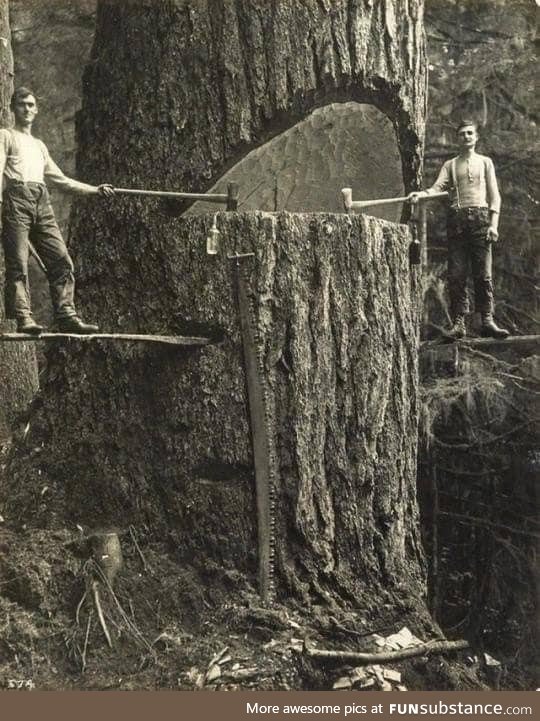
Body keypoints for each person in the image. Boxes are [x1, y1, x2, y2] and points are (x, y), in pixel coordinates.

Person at [0, 87, 115, 335]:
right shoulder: (5, 136)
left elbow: (61, 181)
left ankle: (66, 315)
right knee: (18, 263)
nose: (27, 109)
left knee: (61, 259)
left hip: (42, 201)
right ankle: (24, 318)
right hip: (15, 200)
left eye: (31, 105)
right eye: (22, 104)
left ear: (37, 110)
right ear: (12, 108)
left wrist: (95, 190)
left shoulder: (39, 146)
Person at [410, 118, 509, 340]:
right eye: (462, 133)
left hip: (481, 221)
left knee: (483, 274)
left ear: (476, 137)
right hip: (457, 224)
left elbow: (495, 196)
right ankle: (459, 324)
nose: (466, 137)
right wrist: (420, 195)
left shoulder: (485, 163)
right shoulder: (450, 165)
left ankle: (487, 320)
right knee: (456, 275)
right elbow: (435, 189)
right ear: (457, 138)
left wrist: (494, 225)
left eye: (470, 133)